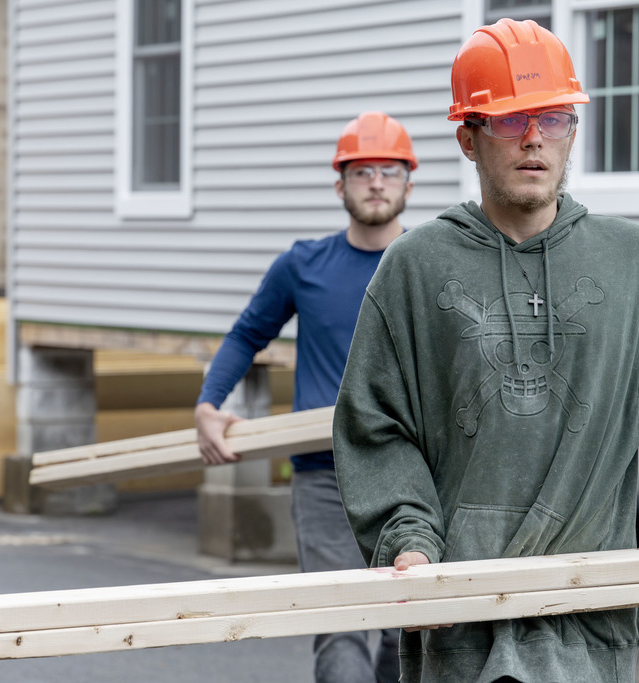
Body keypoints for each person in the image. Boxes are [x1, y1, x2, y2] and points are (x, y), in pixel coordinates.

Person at [332, 19, 639, 683]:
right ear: (468, 137)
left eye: (553, 118)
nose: (534, 138)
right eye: (510, 120)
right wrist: (408, 540)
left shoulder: (632, 265)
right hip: (459, 617)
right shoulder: (415, 268)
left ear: (572, 131)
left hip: (586, 619)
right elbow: (377, 427)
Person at [195, 111, 417, 683]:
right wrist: (209, 404)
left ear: (408, 184)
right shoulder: (303, 265)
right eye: (361, 171)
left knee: (411, 630)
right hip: (325, 477)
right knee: (340, 626)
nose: (375, 182)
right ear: (339, 185)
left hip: (414, 478)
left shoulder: (428, 263)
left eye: (389, 170)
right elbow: (247, 334)